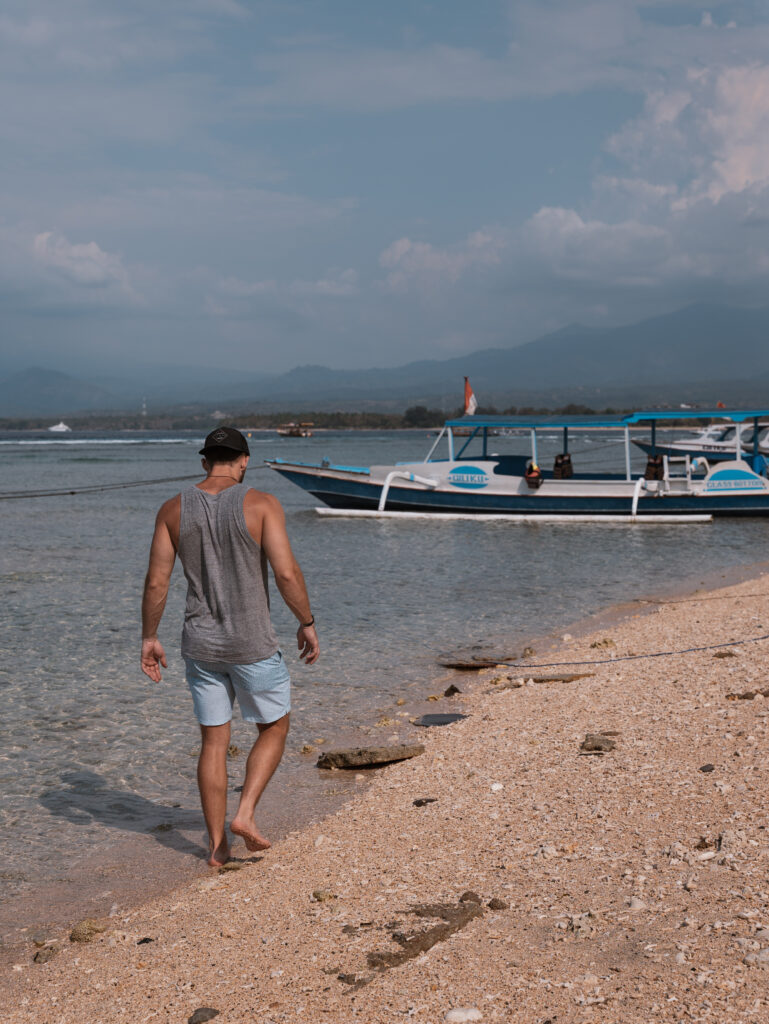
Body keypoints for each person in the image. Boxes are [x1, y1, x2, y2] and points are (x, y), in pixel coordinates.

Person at [140, 426, 319, 866]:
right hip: (253, 644)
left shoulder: (172, 509)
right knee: (274, 728)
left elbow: (157, 581)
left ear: (205, 462)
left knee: (214, 743)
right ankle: (245, 814)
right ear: (244, 460)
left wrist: (149, 637)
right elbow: (286, 574)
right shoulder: (261, 503)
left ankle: (217, 846)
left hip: (200, 645)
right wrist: (307, 622)